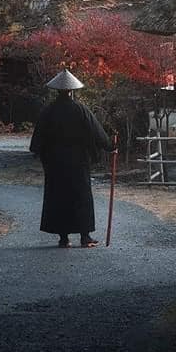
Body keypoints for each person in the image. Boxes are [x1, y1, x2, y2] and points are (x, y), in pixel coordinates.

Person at [29, 68, 112, 248]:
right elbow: (96, 131)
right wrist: (109, 146)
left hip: (54, 162)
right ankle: (84, 236)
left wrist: (39, 152)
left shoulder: (48, 111)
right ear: (72, 91)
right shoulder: (80, 109)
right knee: (81, 196)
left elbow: (38, 138)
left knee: (58, 197)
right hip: (78, 160)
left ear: (57, 91)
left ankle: (63, 238)